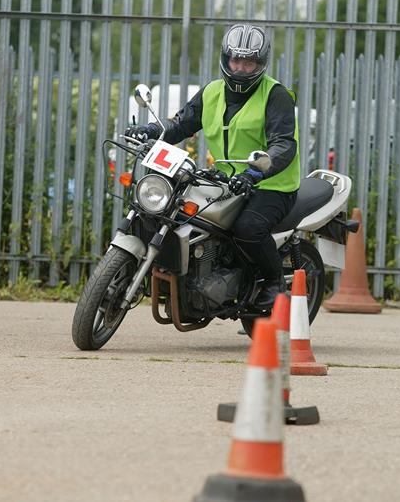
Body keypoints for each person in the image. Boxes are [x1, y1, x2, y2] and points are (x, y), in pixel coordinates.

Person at [125, 23, 300, 309]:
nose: (241, 68)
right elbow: (180, 125)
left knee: (248, 228)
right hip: (225, 183)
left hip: (271, 184)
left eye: (249, 62)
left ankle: (274, 283)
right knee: (177, 214)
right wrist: (150, 131)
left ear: (261, 63)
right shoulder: (212, 91)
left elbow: (283, 145)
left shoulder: (276, 95)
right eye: (236, 60)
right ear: (226, 58)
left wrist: (255, 172)